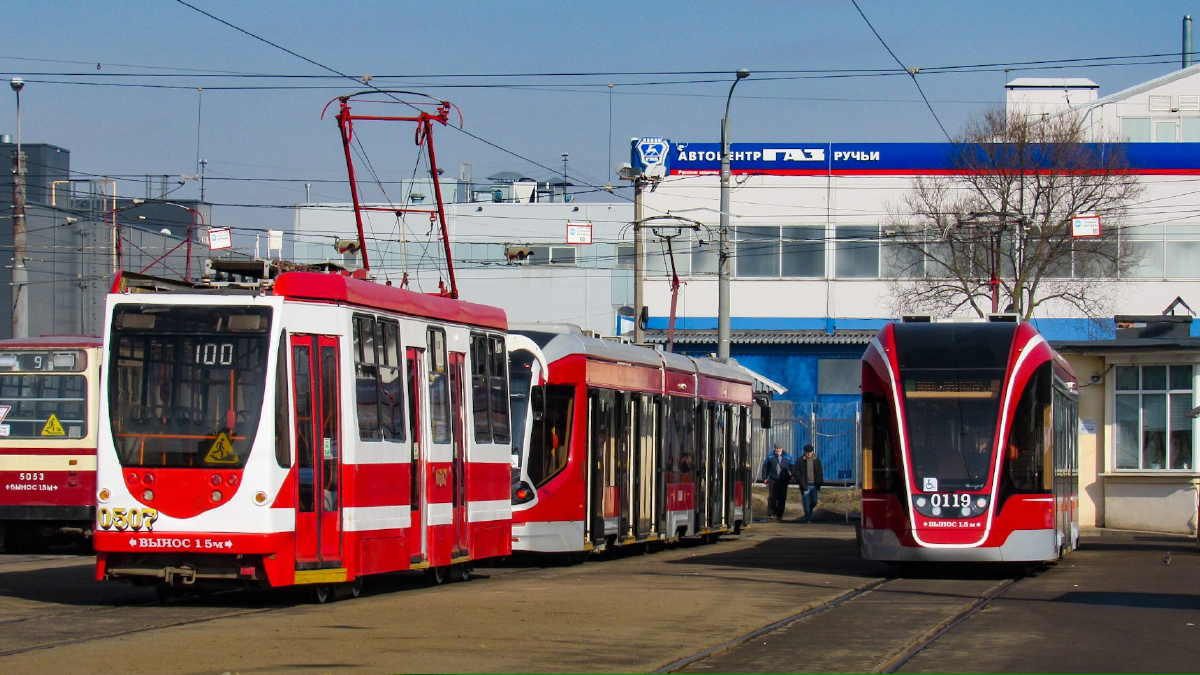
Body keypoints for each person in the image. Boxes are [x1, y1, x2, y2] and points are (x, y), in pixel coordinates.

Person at [759, 443, 793, 521]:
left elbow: (792, 467)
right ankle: (771, 513)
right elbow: (765, 467)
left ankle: (779, 515)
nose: (778, 450)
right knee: (772, 497)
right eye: (776, 448)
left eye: (779, 448)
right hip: (773, 479)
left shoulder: (788, 457)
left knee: (782, 497)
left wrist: (791, 476)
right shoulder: (770, 456)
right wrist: (764, 477)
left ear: (782, 449)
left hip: (783, 480)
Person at [796, 444, 824, 523]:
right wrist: (801, 482)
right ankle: (807, 518)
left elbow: (820, 471)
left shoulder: (816, 460)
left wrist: (820, 480)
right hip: (805, 485)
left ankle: (809, 512)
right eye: (807, 452)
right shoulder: (800, 460)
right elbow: (797, 472)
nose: (809, 454)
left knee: (814, 501)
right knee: (805, 501)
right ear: (804, 452)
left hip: (814, 485)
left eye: (810, 452)